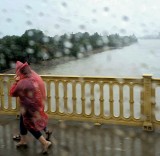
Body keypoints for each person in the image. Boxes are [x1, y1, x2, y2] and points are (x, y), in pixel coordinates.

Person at [10, 61, 52, 154]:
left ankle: (45, 142)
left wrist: (15, 82)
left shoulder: (22, 82)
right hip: (35, 105)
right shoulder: (32, 78)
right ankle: (23, 140)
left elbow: (12, 93)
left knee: (30, 126)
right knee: (23, 121)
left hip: (28, 108)